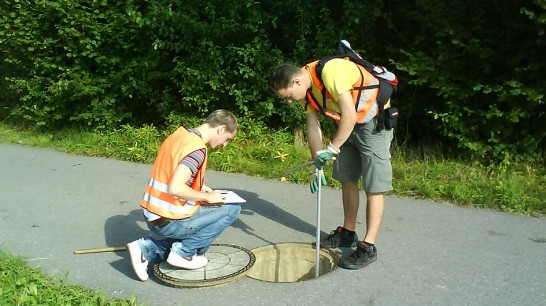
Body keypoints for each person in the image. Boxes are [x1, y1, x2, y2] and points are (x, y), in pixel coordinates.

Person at [268, 58, 394, 270]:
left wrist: (332, 148)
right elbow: (313, 126)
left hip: (374, 124)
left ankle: (368, 245)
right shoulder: (306, 90)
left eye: (289, 96)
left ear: (297, 81)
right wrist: (317, 164)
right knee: (347, 179)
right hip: (346, 127)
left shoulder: (331, 72)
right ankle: (348, 233)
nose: (290, 101)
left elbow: (350, 116)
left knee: (374, 187)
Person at [127, 109, 240, 281]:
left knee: (201, 245)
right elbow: (175, 188)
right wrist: (207, 198)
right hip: (167, 220)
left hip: (154, 213)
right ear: (221, 129)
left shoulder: (180, 136)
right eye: (227, 139)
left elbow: (175, 174)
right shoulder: (197, 149)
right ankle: (184, 253)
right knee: (232, 209)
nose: (225, 144)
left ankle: (147, 249)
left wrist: (203, 188)